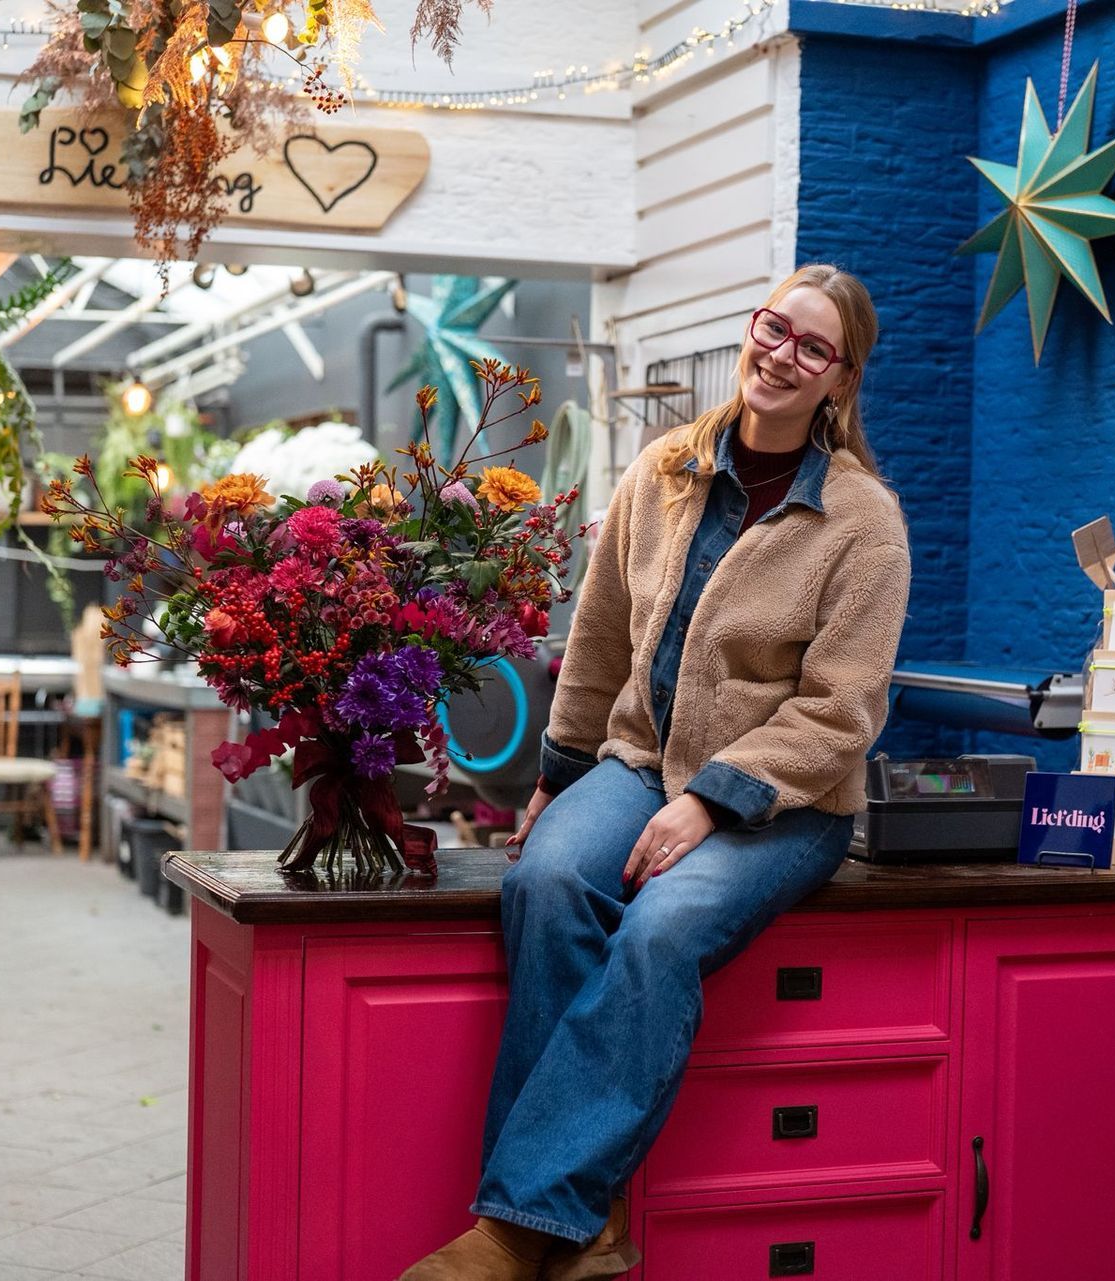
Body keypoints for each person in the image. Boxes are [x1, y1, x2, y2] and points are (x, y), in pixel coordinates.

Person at [399, 264, 911, 1281]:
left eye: (813, 347)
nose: (782, 355)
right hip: (638, 762)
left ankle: (518, 1230)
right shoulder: (665, 470)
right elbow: (595, 641)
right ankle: (586, 1228)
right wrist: (557, 778)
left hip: (783, 805)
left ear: (841, 380)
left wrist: (711, 803)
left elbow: (842, 712)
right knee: (547, 877)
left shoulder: (863, 522)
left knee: (662, 928)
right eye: (775, 327)